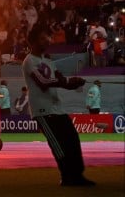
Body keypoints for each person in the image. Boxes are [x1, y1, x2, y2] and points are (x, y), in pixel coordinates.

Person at [22, 24, 94, 187]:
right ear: (32, 42)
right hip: (42, 110)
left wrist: (74, 83)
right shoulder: (29, 61)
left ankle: (77, 175)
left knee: (72, 140)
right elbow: (43, 82)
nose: (46, 40)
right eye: (42, 38)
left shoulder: (48, 60)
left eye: (46, 37)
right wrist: (66, 82)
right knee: (58, 145)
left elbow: (61, 80)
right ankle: (67, 176)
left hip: (57, 108)